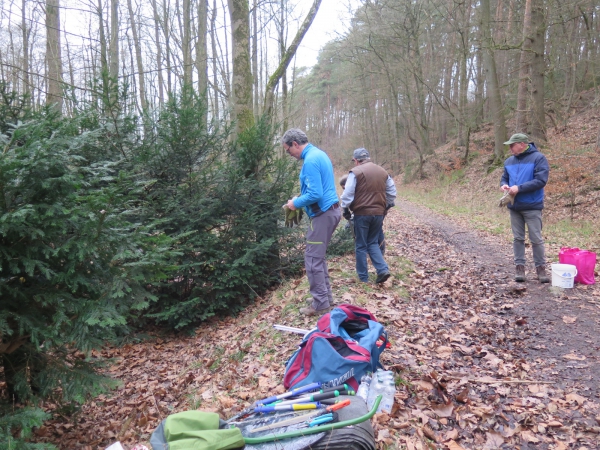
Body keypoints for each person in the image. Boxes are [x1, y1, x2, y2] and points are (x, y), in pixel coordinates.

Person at [282, 129, 341, 316]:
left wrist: (294, 203)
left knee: (313, 260)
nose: (289, 154)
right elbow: (317, 188)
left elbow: (316, 194)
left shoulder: (310, 161)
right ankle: (324, 297)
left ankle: (320, 305)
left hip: (322, 215)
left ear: (295, 144)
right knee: (318, 257)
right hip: (331, 211)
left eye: (288, 150)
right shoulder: (319, 154)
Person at [340, 148, 396, 284]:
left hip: (362, 214)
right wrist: (386, 205)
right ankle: (382, 269)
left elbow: (347, 194)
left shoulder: (355, 172)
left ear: (356, 160)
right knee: (372, 243)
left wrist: (345, 208)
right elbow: (392, 192)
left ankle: (363, 278)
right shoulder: (383, 171)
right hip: (378, 214)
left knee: (360, 245)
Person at [500, 133, 550, 283]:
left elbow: (541, 180)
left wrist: (519, 188)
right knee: (518, 238)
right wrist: (504, 185)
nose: (510, 148)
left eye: (512, 145)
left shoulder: (539, 158)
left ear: (522, 144)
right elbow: (504, 177)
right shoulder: (509, 161)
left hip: (532, 206)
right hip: (514, 206)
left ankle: (541, 270)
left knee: (536, 239)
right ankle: (519, 269)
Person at [339, 174, 386, 256]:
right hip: (367, 212)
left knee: (376, 230)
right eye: (343, 189)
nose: (344, 190)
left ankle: (380, 251)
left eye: (344, 188)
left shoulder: (359, 189)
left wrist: (346, 210)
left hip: (370, 212)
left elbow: (347, 199)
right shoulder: (356, 188)